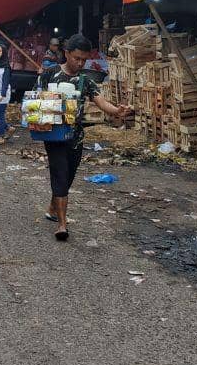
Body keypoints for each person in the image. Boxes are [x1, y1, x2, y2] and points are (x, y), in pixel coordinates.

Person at [38, 34, 131, 241]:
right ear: (66, 53)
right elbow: (36, 101)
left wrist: (117, 111)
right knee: (60, 173)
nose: (80, 63)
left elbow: (100, 101)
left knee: (68, 175)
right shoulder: (49, 74)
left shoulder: (85, 80)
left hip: (76, 137)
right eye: (76, 58)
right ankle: (62, 224)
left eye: (83, 60)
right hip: (54, 135)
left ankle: (54, 206)